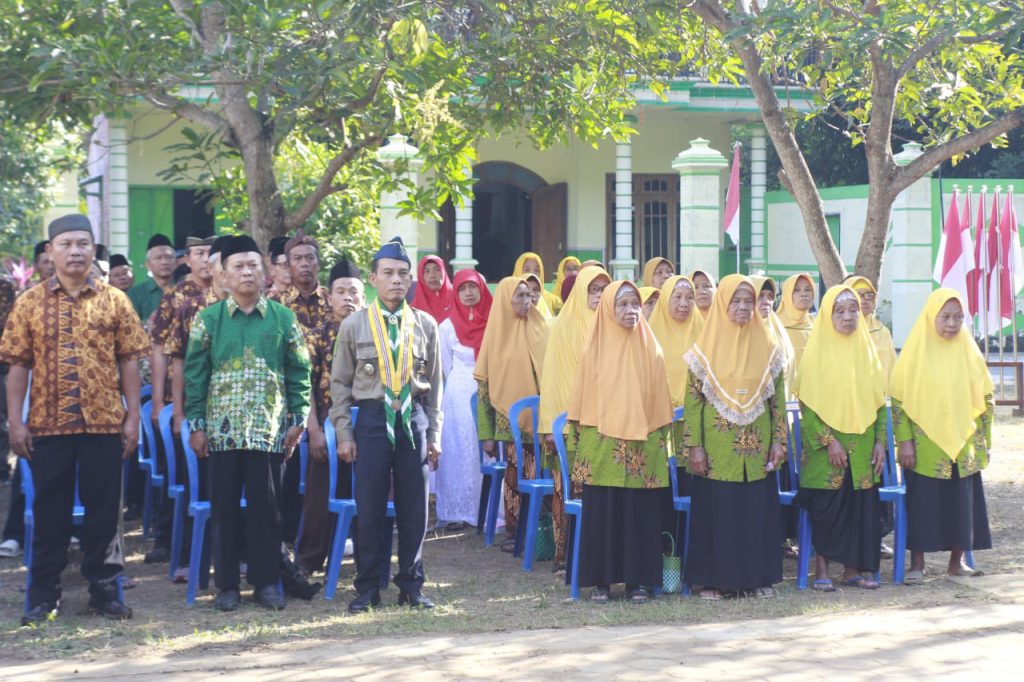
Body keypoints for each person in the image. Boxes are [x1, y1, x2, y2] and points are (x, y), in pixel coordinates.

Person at [1, 214, 149, 626]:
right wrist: (16, 422)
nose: (75, 251)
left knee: (104, 513)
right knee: (51, 513)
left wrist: (133, 417)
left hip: (105, 424)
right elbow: (17, 366)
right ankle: (43, 595)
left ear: (93, 249)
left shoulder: (114, 300)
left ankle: (105, 592)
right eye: (66, 244)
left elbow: (129, 361)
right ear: (50, 252)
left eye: (83, 244)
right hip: (48, 426)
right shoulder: (29, 302)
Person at [184, 235, 311, 612]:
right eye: (237, 266)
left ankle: (267, 582)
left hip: (267, 431)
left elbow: (299, 371)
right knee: (224, 509)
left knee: (267, 510)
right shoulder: (208, 320)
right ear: (223, 274)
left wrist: (298, 419)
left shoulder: (283, 318)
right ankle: (226, 586)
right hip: (220, 434)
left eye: (253, 265)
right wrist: (196, 425)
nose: (246, 272)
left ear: (265, 272)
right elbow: (194, 376)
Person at [330, 236, 443, 613]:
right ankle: (368, 587)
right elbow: (339, 384)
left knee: (415, 509)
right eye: (388, 273)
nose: (396, 280)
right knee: (370, 506)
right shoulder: (354, 325)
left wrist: (435, 434)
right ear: (373, 278)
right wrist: (344, 432)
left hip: (413, 419)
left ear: (410, 279)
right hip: (373, 421)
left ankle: (411, 585)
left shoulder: (424, 325)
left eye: (403, 274)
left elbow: (434, 384)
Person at [682, 274, 787, 600]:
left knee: (756, 513)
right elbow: (692, 403)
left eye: (748, 301)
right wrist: (695, 447)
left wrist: (779, 441)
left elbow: (778, 402)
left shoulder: (769, 348)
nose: (743, 307)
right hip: (717, 450)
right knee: (719, 513)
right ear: (722, 304)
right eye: (735, 301)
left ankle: (757, 579)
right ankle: (714, 581)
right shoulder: (703, 350)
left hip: (757, 450)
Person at [569, 280, 674, 602]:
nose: (631, 311)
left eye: (635, 304)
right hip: (602, 444)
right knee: (604, 511)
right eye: (623, 304)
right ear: (608, 309)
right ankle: (600, 581)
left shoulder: (651, 348)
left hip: (643, 445)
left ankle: (637, 582)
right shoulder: (593, 349)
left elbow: (659, 401)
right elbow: (581, 403)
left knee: (639, 513)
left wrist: (659, 442)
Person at [890, 289, 994, 584]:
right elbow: (899, 401)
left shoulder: (968, 350)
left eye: (958, 317)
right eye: (945, 316)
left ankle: (956, 563)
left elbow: (986, 397)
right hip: (924, 446)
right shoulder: (915, 351)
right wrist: (905, 441)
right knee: (922, 504)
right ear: (931, 317)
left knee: (962, 504)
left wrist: (985, 441)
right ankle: (917, 565)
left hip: (964, 443)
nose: (952, 323)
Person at [792, 285, 888, 592]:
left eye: (853, 310)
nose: (848, 317)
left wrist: (880, 443)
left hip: (863, 448)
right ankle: (821, 571)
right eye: (840, 311)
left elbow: (879, 404)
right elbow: (807, 407)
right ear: (827, 316)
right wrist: (828, 441)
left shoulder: (867, 353)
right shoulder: (815, 354)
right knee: (827, 507)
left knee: (861, 508)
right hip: (826, 451)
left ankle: (852, 571)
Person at [144, 233, 214, 564]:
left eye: (211, 253)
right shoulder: (176, 298)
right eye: (199, 253)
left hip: (222, 401)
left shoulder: (230, 296)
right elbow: (160, 351)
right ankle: (169, 539)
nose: (206, 259)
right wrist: (160, 403)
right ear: (187, 259)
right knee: (179, 474)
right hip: (182, 398)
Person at [295, 258, 365, 575]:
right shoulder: (315, 337)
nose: (347, 297)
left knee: (369, 496)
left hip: (368, 425)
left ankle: (369, 563)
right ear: (329, 296)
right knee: (319, 496)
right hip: (327, 427)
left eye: (353, 291)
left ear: (363, 296)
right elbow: (305, 387)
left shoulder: (375, 333)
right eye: (340, 291)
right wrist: (314, 432)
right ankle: (308, 562)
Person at [538, 266, 611, 569]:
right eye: (593, 290)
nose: (599, 296)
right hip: (568, 426)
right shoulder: (562, 327)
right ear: (581, 292)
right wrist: (549, 426)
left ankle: (597, 556)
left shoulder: (612, 326)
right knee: (567, 490)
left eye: (604, 290)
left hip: (605, 424)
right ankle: (566, 557)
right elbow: (552, 379)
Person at [476, 276, 549, 553]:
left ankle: (542, 530)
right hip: (509, 423)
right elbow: (484, 391)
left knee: (544, 472)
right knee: (516, 473)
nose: (527, 301)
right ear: (506, 300)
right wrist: (486, 435)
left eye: (529, 295)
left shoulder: (541, 327)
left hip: (542, 420)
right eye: (519, 296)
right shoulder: (496, 335)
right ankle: (515, 529)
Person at [270, 231, 331, 542]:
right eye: (297, 259)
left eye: (310, 258)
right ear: (287, 265)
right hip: (286, 406)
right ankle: (286, 542)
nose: (304, 264)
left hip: (330, 402)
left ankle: (327, 538)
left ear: (318, 263)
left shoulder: (334, 300)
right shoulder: (273, 306)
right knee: (287, 478)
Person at [435, 269, 493, 530]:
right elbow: (445, 365)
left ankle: (488, 509)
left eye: (473, 287)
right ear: (455, 292)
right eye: (462, 288)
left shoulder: (494, 322)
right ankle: (458, 510)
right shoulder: (446, 327)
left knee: (486, 449)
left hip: (489, 390)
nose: (468, 293)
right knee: (459, 450)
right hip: (458, 394)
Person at [844, 275, 897, 378]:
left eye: (869, 295)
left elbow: (892, 368)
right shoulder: (842, 329)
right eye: (857, 294)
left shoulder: (882, 332)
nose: (863, 300)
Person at [127, 233, 176, 324]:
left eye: (169, 257)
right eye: (158, 258)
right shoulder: (135, 294)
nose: (164, 262)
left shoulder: (185, 289)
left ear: (176, 262)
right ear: (148, 264)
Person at [776, 273, 816, 369]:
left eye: (808, 290)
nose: (803, 294)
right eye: (796, 290)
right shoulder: (775, 325)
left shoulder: (816, 325)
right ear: (787, 294)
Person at [411, 255, 454, 324]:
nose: (432, 275)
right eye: (427, 271)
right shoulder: (414, 308)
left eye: (437, 270)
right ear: (421, 276)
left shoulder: (457, 298)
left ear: (444, 272)